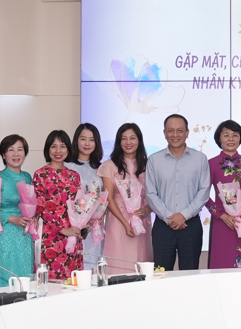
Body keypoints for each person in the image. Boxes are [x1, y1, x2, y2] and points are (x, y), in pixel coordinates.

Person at [146, 114, 211, 270]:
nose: (175, 135)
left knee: (189, 275)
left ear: (187, 133)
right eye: (170, 130)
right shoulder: (154, 160)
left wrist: (183, 215)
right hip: (163, 226)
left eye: (180, 130)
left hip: (191, 226)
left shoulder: (200, 159)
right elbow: (150, 193)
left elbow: (204, 191)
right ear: (164, 133)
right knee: (161, 274)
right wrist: (169, 217)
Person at [101, 123, 152, 274]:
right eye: (124, 138)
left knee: (141, 264)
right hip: (118, 222)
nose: (128, 142)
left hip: (142, 222)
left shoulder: (148, 165)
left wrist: (147, 210)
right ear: (119, 141)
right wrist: (125, 223)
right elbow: (108, 198)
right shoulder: (110, 165)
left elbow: (156, 195)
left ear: (139, 140)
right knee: (118, 263)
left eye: (132, 138)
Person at [33, 130, 82, 279]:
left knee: (73, 281)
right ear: (48, 149)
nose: (58, 151)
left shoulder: (74, 176)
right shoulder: (40, 174)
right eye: (53, 146)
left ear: (68, 149)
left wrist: (82, 223)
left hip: (73, 235)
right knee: (51, 282)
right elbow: (40, 208)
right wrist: (62, 230)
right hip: (50, 237)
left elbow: (80, 205)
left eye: (63, 146)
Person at [206, 120, 241, 269]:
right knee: (222, 263)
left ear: (240, 138)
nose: (231, 139)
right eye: (226, 135)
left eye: (235, 135)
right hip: (222, 222)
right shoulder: (211, 164)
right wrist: (221, 215)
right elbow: (202, 195)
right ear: (219, 138)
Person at [0, 135, 35, 287]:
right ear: (3, 155)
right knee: (6, 275)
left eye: (20, 149)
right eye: (11, 150)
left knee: (24, 275)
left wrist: (34, 217)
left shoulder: (28, 177)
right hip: (4, 233)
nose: (16, 154)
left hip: (24, 234)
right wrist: (12, 218)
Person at [66, 123, 106, 270]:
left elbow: (104, 196)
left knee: (94, 265)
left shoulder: (101, 168)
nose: (87, 143)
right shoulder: (67, 166)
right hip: (73, 226)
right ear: (76, 140)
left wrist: (102, 214)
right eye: (83, 139)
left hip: (95, 226)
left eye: (92, 139)